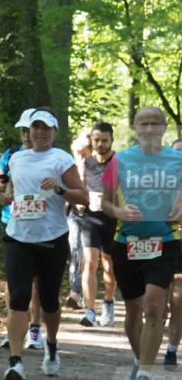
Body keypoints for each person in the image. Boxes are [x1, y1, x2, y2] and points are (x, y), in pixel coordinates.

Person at [101, 107, 182, 380]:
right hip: (127, 241)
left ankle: (146, 375)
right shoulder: (120, 160)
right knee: (134, 311)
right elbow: (105, 203)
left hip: (166, 239)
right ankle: (139, 360)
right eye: (144, 124)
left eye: (155, 123)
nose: (149, 129)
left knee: (153, 306)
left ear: (164, 127)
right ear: (135, 127)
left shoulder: (178, 160)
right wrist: (120, 211)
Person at [1, 108, 87, 380]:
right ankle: (15, 361)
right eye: (35, 128)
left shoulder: (61, 159)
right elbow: (12, 191)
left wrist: (60, 189)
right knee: (18, 296)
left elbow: (83, 196)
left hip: (51, 237)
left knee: (49, 300)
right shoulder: (16, 158)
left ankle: (51, 345)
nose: (40, 133)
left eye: (46, 129)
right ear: (28, 131)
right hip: (18, 236)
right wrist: (6, 196)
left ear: (54, 132)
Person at [0, 111, 44, 350]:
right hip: (11, 222)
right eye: (22, 130)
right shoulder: (10, 155)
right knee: (14, 281)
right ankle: (13, 330)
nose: (25, 135)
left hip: (40, 225)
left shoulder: (50, 157)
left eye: (29, 130)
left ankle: (34, 329)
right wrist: (1, 192)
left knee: (35, 280)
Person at [74, 122, 118, 327]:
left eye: (104, 140)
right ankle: (89, 310)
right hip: (90, 217)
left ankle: (108, 301)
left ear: (111, 140)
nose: (100, 144)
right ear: (91, 140)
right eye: (96, 140)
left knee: (109, 265)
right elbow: (79, 184)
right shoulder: (87, 162)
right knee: (89, 262)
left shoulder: (119, 162)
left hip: (113, 218)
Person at [65, 131, 91, 310]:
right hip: (72, 214)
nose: (79, 155)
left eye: (82, 152)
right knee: (75, 252)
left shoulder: (97, 165)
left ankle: (84, 293)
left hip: (94, 215)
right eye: (76, 152)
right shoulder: (68, 165)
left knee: (88, 256)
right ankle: (75, 292)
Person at [163, 137, 182, 369]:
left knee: (178, 300)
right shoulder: (157, 183)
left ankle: (171, 350)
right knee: (155, 302)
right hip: (158, 242)